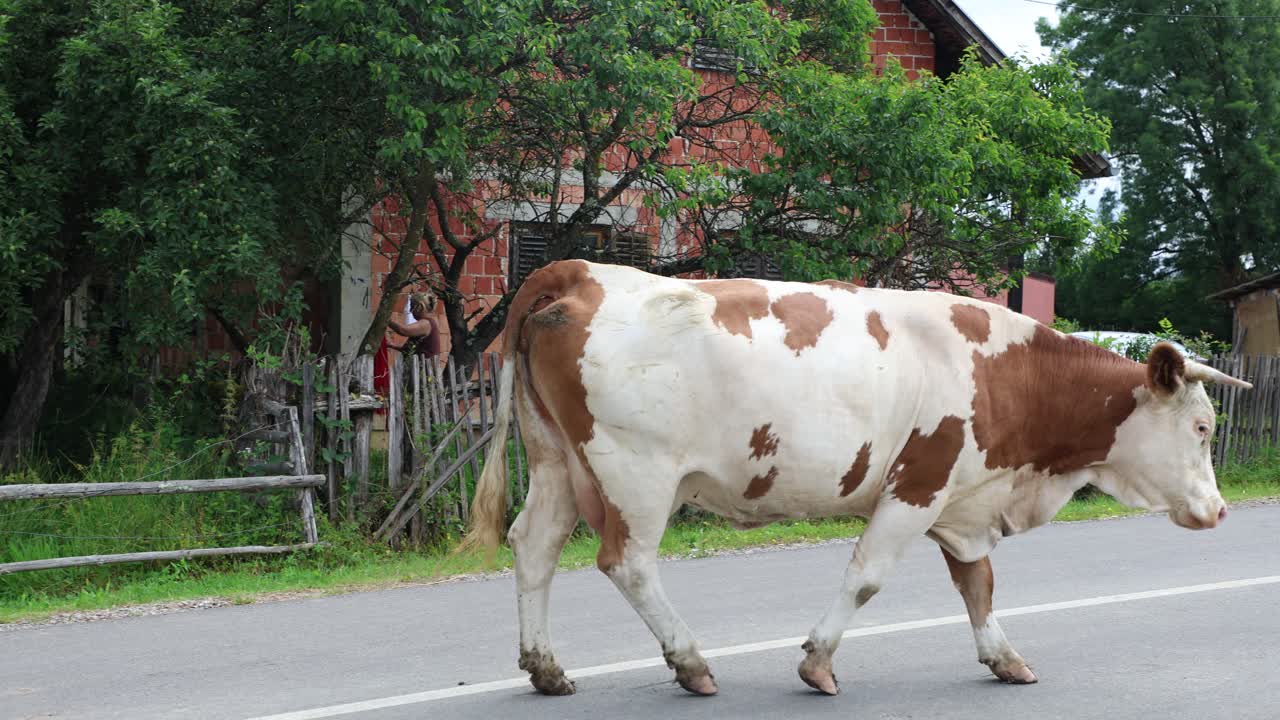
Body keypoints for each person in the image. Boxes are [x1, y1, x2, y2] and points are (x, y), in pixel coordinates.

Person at [387, 292, 442, 360]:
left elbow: (403, 330)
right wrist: (391, 345)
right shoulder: (428, 322)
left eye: (412, 307)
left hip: (425, 368)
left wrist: (386, 320)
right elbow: (407, 349)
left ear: (420, 306)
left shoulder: (426, 324)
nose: (410, 310)